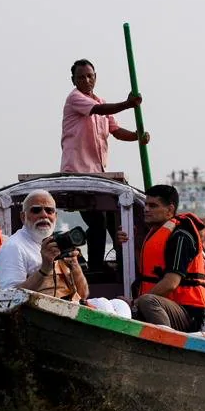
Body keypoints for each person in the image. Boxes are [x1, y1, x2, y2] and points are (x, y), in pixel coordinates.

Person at [61, 58, 150, 266]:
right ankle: (96, 267)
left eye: (89, 76)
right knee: (97, 222)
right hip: (78, 174)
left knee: (113, 221)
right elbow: (98, 111)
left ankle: (125, 265)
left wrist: (138, 136)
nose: (86, 80)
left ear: (95, 77)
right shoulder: (75, 98)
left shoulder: (100, 101)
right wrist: (128, 104)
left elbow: (116, 131)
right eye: (81, 77)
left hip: (98, 175)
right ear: (73, 80)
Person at [0, 190, 131, 318]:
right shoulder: (14, 247)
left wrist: (75, 267)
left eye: (49, 211)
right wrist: (44, 268)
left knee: (121, 305)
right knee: (105, 306)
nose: (44, 215)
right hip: (39, 313)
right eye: (36, 210)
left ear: (56, 216)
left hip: (70, 308)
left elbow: (83, 294)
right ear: (23, 216)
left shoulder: (58, 242)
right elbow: (9, 299)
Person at [129, 184, 205, 332]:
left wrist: (136, 303)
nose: (146, 209)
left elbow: (171, 283)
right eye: (146, 205)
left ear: (170, 210)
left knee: (147, 301)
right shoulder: (156, 232)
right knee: (123, 301)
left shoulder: (181, 236)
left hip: (189, 314)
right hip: (166, 306)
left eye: (153, 206)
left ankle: (166, 343)